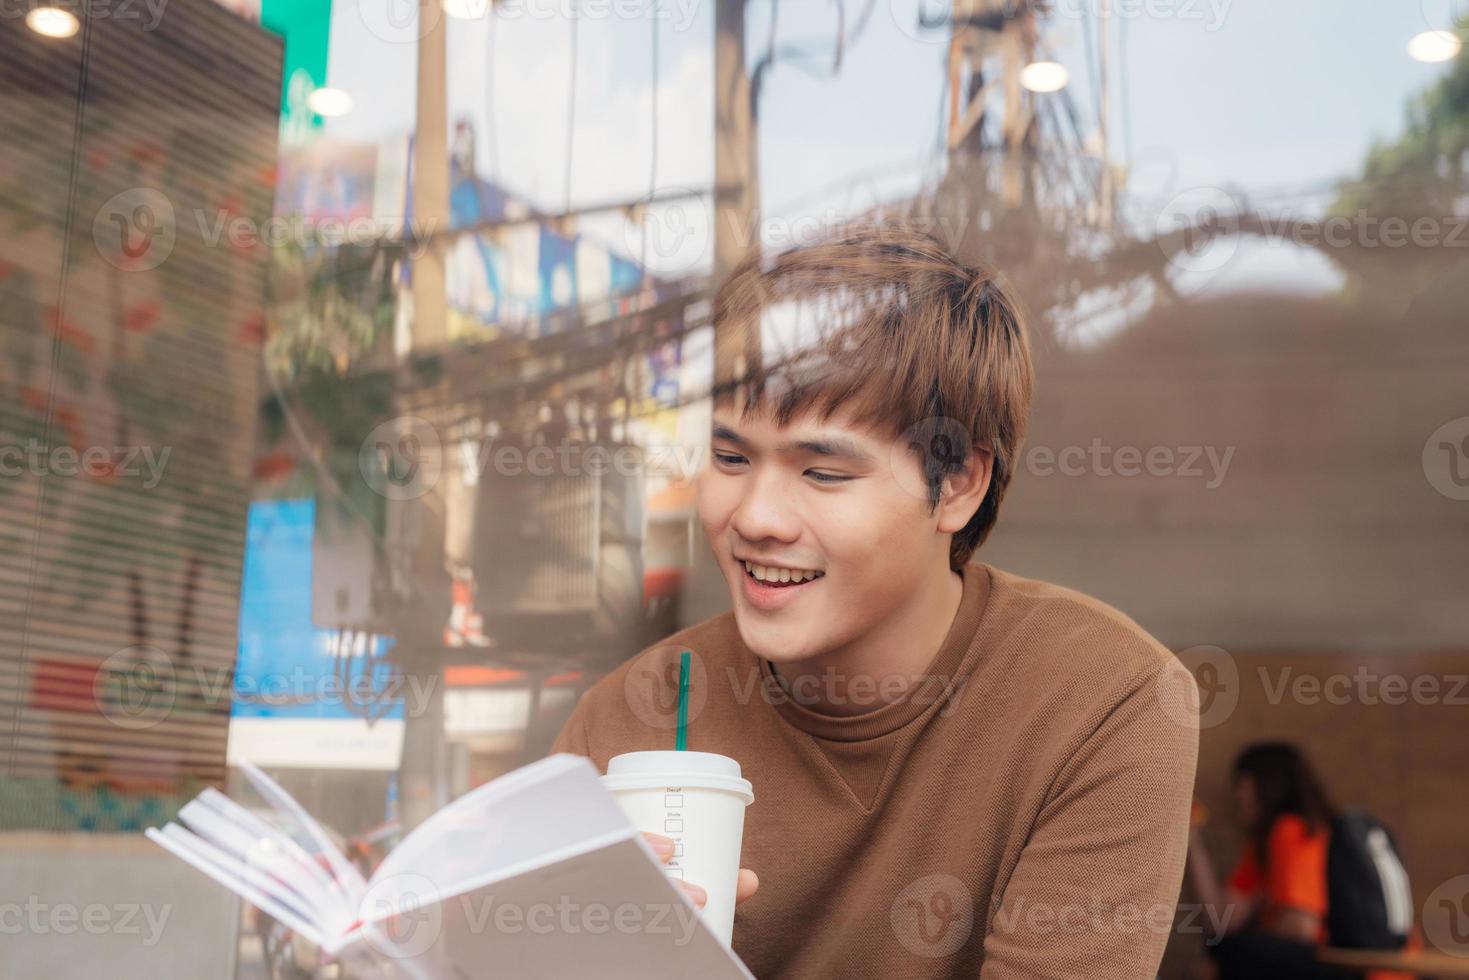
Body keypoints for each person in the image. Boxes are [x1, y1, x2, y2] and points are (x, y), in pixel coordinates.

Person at [551, 223, 1200, 978]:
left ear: (955, 483)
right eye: (729, 457)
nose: (754, 517)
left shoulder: (1103, 701)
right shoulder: (626, 718)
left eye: (823, 472)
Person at [1185, 741, 1411, 980]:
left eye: (1242, 782)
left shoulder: (1293, 831)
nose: (1236, 794)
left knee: (1230, 952)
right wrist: (1191, 839)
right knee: (1223, 948)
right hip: (1368, 964)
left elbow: (1301, 927)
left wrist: (1258, 922)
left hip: (1361, 970)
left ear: (1264, 784)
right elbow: (1220, 921)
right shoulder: (1262, 846)